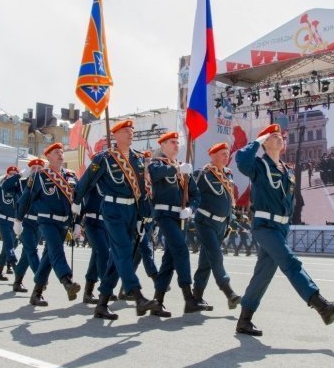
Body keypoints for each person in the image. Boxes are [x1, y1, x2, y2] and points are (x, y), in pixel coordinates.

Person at [235, 124, 334, 336]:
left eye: (280, 136)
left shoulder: (286, 170)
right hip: (265, 225)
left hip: (280, 227)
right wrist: (258, 140)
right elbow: (241, 160)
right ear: (265, 142)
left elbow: (290, 200)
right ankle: (322, 305)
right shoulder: (259, 165)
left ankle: (244, 320)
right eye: (273, 136)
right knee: (290, 262)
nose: (279, 139)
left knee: (263, 275)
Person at [72, 120, 158, 320]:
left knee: (115, 258)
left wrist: (142, 217)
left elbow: (141, 191)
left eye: (132, 131)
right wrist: (77, 202)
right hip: (112, 209)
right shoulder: (105, 158)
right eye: (126, 131)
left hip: (131, 211)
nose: (131, 134)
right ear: (116, 135)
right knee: (124, 252)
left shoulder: (137, 159)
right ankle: (138, 297)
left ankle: (101, 304)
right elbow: (86, 181)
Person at [148, 131, 209, 317]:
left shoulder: (184, 168)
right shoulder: (156, 163)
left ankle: (157, 302)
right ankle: (188, 297)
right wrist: (177, 169)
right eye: (171, 142)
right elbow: (155, 174)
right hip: (164, 214)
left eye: (177, 142)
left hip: (180, 217)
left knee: (170, 259)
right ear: (163, 146)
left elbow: (195, 195)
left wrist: (190, 209)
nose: (176, 145)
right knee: (181, 249)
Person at [15, 142, 81, 306]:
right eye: (56, 152)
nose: (60, 154)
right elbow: (26, 198)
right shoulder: (39, 176)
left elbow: (79, 200)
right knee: (56, 250)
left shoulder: (71, 176)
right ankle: (67, 282)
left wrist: (78, 223)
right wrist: (18, 219)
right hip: (46, 220)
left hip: (64, 222)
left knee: (48, 258)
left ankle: (36, 293)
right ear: (48, 157)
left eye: (61, 151)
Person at [192, 142, 241, 311]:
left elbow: (228, 201)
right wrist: (187, 209)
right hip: (205, 222)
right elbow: (190, 194)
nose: (226, 156)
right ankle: (229, 293)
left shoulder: (228, 174)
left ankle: (196, 297)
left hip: (222, 224)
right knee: (216, 256)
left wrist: (231, 220)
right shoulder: (202, 174)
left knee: (206, 261)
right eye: (222, 153)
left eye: (227, 154)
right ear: (212, 155)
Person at [11, 158, 46, 293]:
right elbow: (5, 187)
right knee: (31, 250)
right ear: (30, 170)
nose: (37, 170)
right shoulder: (22, 183)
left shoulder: (45, 184)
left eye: (39, 168)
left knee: (27, 253)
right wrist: (18, 175)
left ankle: (17, 282)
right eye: (34, 168)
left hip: (39, 222)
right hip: (24, 221)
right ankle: (40, 277)